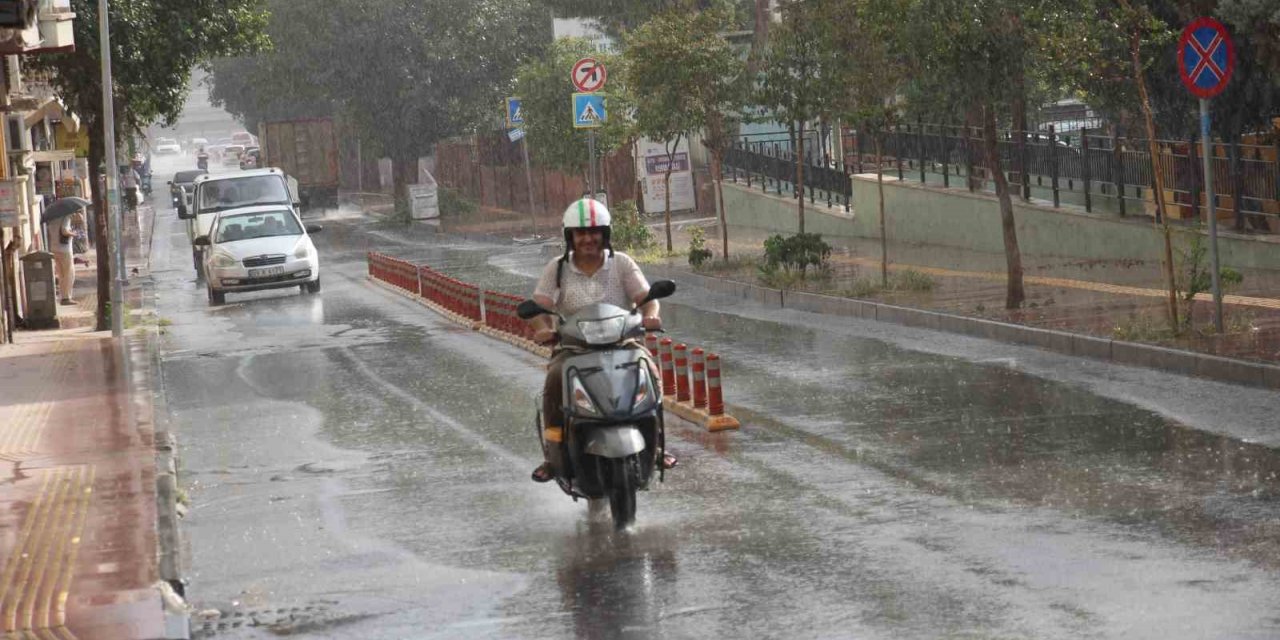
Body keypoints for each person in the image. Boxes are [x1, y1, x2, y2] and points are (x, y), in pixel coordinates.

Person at [528, 198, 676, 483]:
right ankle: (553, 453)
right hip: (572, 350)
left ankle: (655, 445)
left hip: (623, 345)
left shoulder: (621, 263)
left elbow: (647, 299)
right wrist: (543, 328)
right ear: (570, 236)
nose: (588, 239)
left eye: (594, 231)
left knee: (650, 371)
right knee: (554, 380)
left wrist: (651, 316)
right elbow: (539, 305)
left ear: (605, 234)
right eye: (580, 233)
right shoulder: (556, 268)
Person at [53, 212, 78, 305]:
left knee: (61, 274)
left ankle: (63, 297)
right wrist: (73, 234)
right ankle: (66, 298)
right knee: (69, 274)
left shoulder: (53, 218)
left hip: (54, 248)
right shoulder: (66, 217)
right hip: (65, 249)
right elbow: (64, 231)